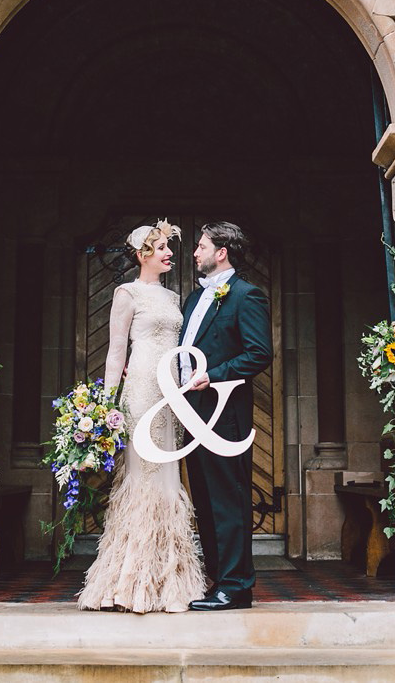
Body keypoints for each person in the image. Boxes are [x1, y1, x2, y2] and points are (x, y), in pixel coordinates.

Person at [78, 219, 205, 613]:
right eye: (162, 248)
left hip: (170, 394)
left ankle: (169, 580)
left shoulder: (173, 297)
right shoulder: (125, 293)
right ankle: (129, 582)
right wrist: (106, 402)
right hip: (140, 393)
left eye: (170, 247)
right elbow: (116, 351)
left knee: (167, 477)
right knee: (142, 475)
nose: (170, 254)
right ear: (142, 254)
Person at [180, 221, 272, 611]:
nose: (195, 253)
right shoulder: (192, 298)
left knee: (228, 501)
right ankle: (220, 580)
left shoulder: (247, 296)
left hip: (224, 415)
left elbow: (259, 353)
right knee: (204, 498)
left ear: (222, 252)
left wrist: (213, 376)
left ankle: (236, 587)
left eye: (201, 246)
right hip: (190, 412)